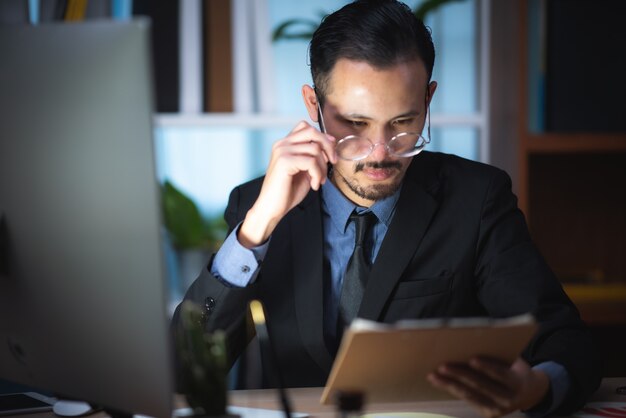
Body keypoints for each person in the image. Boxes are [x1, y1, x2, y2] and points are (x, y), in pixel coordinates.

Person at [172, 1, 601, 416]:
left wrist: (536, 387)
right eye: (354, 125)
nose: (380, 153)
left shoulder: (478, 198)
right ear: (313, 107)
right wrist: (256, 229)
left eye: (402, 123)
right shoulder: (256, 205)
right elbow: (183, 367)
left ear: (428, 101)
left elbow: (567, 343)